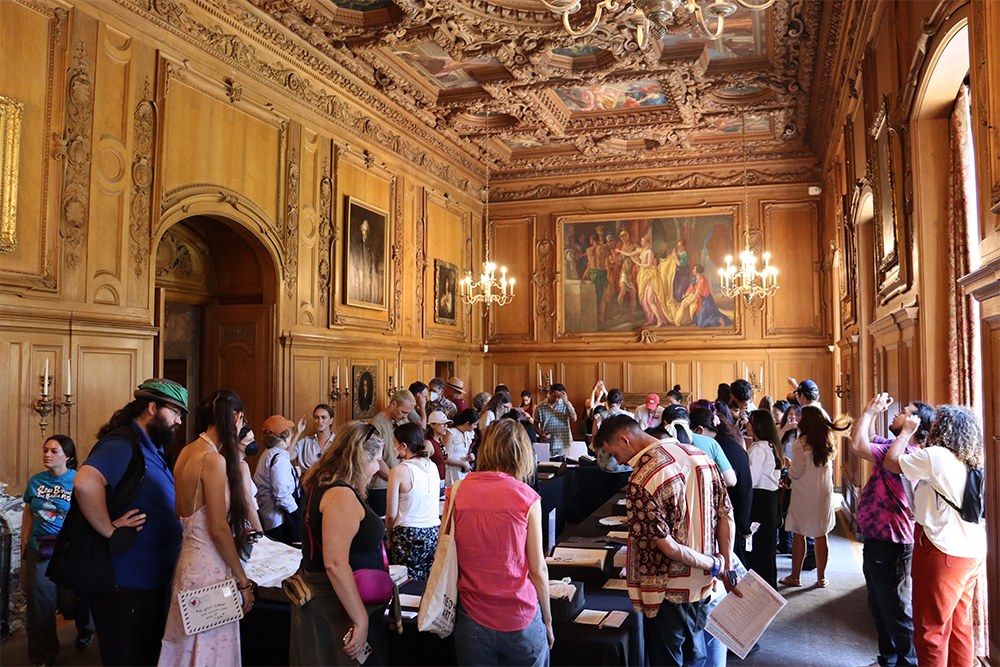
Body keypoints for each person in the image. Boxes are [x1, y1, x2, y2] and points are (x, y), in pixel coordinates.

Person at [593, 415, 738, 667]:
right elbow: (726, 514)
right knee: (696, 655)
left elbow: (667, 546)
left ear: (624, 439)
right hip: (702, 583)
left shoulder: (641, 478)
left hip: (666, 588)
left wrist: (714, 563)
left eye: (614, 453)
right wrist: (724, 564)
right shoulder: (699, 455)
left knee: (667, 659)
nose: (617, 461)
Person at [73, 378, 186, 667]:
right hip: (126, 584)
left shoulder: (151, 447)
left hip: (149, 580)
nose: (179, 421)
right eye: (175, 412)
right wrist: (110, 529)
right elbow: (86, 482)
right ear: (152, 408)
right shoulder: (122, 443)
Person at [158, 390, 256, 667]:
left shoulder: (186, 451)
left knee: (186, 647)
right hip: (210, 568)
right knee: (209, 650)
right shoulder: (213, 459)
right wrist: (243, 581)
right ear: (237, 418)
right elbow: (218, 528)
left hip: (188, 559)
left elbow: (182, 511)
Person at [885, 405, 986, 667]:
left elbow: (890, 462)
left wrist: (905, 433)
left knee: (930, 631)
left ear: (942, 428)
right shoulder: (969, 458)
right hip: (970, 551)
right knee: (959, 625)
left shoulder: (937, 456)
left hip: (942, 552)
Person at [447, 420, 554, 666]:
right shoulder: (526, 497)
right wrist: (548, 620)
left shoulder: (456, 492)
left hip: (471, 614)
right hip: (520, 614)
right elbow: (538, 569)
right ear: (521, 453)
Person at [290, 421, 389, 667]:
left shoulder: (327, 484)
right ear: (359, 458)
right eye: (376, 459)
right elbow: (335, 563)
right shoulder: (339, 495)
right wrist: (361, 620)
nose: (378, 467)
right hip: (336, 607)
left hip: (340, 602)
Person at [852, 393, 936, 667]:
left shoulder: (908, 455)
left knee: (895, 609)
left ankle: (908, 662)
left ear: (915, 425)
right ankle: (888, 659)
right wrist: (872, 414)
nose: (897, 413)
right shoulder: (896, 448)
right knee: (879, 605)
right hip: (879, 540)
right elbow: (868, 438)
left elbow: (857, 445)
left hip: (893, 542)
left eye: (905, 412)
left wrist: (868, 411)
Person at [22, 435, 95, 666]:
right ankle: (43, 655)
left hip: (69, 550)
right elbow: (28, 509)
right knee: (39, 606)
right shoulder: (35, 481)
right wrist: (25, 536)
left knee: (74, 603)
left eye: (54, 451)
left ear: (68, 456)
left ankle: (86, 630)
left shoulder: (78, 480)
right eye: (45, 450)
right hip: (39, 549)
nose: (47, 454)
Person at [780, 406, 851, 588]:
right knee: (821, 535)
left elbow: (795, 473)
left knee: (799, 534)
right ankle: (821, 578)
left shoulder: (801, 444)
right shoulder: (828, 442)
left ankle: (795, 576)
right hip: (823, 494)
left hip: (803, 493)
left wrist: (788, 464)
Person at [386, 423, 441, 582]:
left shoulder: (399, 470)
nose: (393, 447)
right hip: (433, 532)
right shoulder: (433, 466)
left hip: (408, 534)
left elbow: (391, 515)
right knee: (428, 581)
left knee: (405, 581)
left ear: (404, 445)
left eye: (395, 443)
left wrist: (391, 537)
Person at [746, 410, 784, 590]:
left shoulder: (758, 448)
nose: (746, 425)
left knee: (759, 547)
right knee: (767, 548)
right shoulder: (771, 445)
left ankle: (760, 590)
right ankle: (769, 587)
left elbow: (751, 480)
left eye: (750, 422)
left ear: (759, 426)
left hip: (759, 500)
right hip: (770, 499)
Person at [254, 415, 304, 545]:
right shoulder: (279, 459)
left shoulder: (269, 453)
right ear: (285, 438)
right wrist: (298, 513)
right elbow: (282, 495)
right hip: (280, 521)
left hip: (270, 517)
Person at [368, 389, 416, 517]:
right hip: (381, 486)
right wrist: (394, 479)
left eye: (408, 413)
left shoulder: (402, 421)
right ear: (393, 404)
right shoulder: (376, 425)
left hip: (400, 484)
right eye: (404, 412)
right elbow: (376, 459)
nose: (406, 416)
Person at [534, 383, 577, 457]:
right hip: (547, 444)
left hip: (563, 444)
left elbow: (574, 419)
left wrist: (566, 402)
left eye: (559, 397)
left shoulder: (566, 405)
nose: (556, 399)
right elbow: (535, 424)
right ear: (550, 392)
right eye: (554, 396)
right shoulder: (540, 406)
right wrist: (541, 434)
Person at [292, 404, 335, 472]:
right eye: (316, 417)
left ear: (331, 420)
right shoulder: (306, 442)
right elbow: (288, 456)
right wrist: (298, 432)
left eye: (323, 417)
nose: (319, 421)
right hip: (308, 481)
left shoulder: (338, 442)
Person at [444, 408, 477, 487]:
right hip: (452, 470)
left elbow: (463, 454)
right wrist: (462, 463)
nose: (475, 427)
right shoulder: (451, 433)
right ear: (467, 423)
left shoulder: (468, 434)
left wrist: (469, 457)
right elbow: (445, 457)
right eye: (474, 424)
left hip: (463, 470)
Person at [424, 411, 450, 481]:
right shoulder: (428, 443)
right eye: (442, 424)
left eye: (446, 424)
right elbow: (423, 465)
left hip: (441, 480)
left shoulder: (440, 440)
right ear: (432, 425)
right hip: (432, 481)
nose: (445, 426)